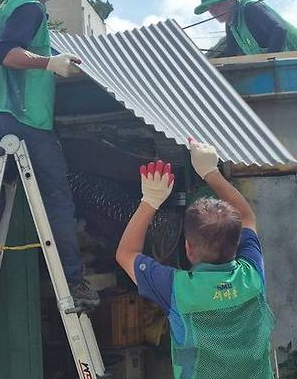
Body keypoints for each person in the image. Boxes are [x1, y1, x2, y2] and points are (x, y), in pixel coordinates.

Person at [0, 0, 99, 315]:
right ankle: (73, 280)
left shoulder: (8, 6)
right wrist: (49, 63)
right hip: (26, 123)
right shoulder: (29, 7)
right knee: (57, 200)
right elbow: (5, 53)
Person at [116, 138, 275, 378]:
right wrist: (211, 172)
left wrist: (150, 200)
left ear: (189, 248)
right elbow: (247, 217)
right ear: (236, 243)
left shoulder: (177, 289)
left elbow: (126, 254)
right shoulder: (251, 276)